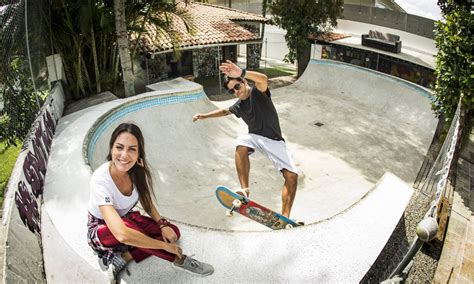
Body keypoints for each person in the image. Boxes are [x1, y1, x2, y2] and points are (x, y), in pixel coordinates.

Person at [87, 123, 213, 283]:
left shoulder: (136, 170)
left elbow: (146, 201)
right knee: (136, 232)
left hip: (127, 220)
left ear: (139, 152)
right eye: (119, 147)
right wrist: (163, 246)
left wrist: (162, 224)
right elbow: (121, 233)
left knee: (172, 232)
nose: (124, 155)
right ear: (111, 148)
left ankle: (123, 257)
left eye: (132, 149)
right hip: (103, 230)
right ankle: (180, 260)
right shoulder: (100, 180)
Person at [192, 60, 300, 221]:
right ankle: (245, 191)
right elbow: (224, 111)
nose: (236, 92)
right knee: (241, 141)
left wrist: (241, 72)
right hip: (256, 139)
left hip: (275, 141)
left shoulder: (258, 92)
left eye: (237, 86)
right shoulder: (239, 105)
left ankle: (285, 218)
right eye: (232, 91)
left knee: (292, 177)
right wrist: (204, 116)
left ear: (244, 82)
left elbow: (263, 79)